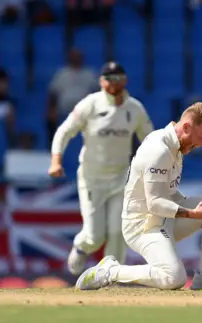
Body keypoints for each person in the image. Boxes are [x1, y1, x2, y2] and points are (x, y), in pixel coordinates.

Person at [74, 102, 202, 291]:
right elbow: (154, 204)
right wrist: (192, 213)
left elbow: (167, 192)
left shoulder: (175, 146)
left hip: (164, 219)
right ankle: (111, 271)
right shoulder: (159, 149)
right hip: (142, 225)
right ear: (186, 127)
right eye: (201, 137)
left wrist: (190, 208)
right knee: (174, 278)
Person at [48, 62, 154, 276]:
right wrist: (56, 161)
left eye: (117, 78)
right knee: (94, 236)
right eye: (108, 78)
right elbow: (64, 131)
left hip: (121, 178)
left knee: (117, 231)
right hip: (92, 178)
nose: (113, 83)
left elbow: (149, 140)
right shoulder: (90, 104)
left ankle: (112, 274)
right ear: (101, 81)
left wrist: (156, 165)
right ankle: (80, 248)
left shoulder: (135, 108)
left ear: (124, 80)